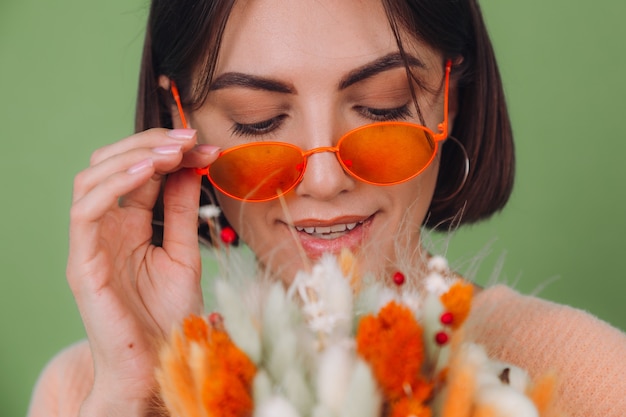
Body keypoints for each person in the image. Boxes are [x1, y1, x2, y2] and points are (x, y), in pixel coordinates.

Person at [27, 0, 626, 416]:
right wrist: (139, 393)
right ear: (180, 118)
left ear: (451, 92)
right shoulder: (83, 392)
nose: (324, 178)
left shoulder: (592, 379)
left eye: (383, 106)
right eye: (256, 120)